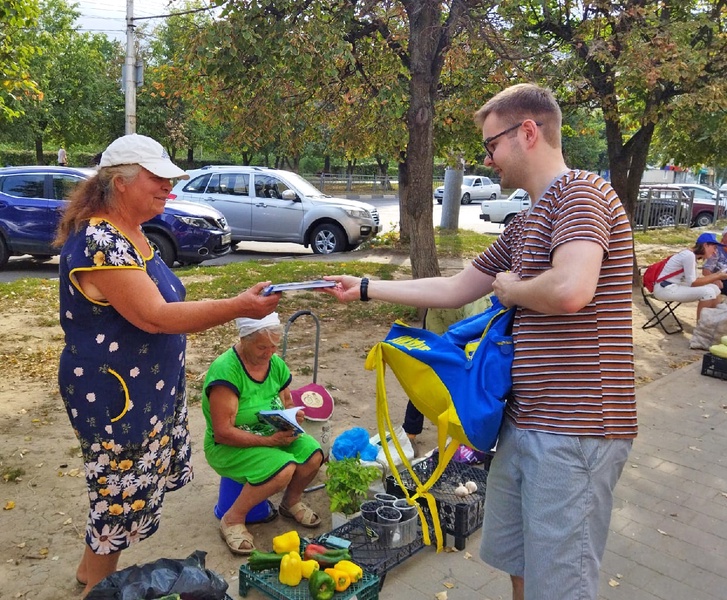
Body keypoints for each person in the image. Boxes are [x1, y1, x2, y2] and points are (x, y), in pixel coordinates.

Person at [322, 83, 637, 600]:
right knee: (520, 564)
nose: (486, 159)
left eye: (491, 145)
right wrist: (362, 289)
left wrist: (512, 290)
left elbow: (571, 288)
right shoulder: (529, 219)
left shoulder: (581, 193)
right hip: (528, 419)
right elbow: (453, 289)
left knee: (560, 582)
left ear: (528, 132)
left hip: (578, 428)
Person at [53, 133, 280, 596]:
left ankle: (88, 571)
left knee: (121, 495)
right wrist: (238, 306)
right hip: (115, 397)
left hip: (145, 390)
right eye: (158, 179)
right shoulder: (101, 241)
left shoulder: (131, 233)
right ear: (120, 183)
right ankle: (96, 587)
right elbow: (156, 317)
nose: (168, 189)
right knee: (115, 499)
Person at [201, 312, 324, 555]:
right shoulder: (226, 371)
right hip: (228, 446)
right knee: (284, 468)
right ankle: (233, 519)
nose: (269, 353)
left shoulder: (274, 364)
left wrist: (292, 417)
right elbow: (223, 434)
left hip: (272, 436)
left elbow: (286, 401)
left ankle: (290, 502)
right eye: (261, 347)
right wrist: (270, 441)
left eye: (273, 347)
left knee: (313, 453)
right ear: (243, 339)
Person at [653, 231, 727, 320]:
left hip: (673, 286)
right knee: (708, 292)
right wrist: (717, 276)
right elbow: (693, 283)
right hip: (665, 289)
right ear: (706, 245)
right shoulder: (689, 256)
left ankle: (713, 322)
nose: (715, 252)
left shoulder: (691, 255)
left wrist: (716, 277)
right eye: (714, 248)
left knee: (714, 288)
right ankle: (701, 328)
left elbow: (693, 281)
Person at [701, 226, 727, 301]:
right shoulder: (716, 250)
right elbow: (705, 270)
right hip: (720, 280)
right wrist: (714, 279)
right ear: (723, 238)